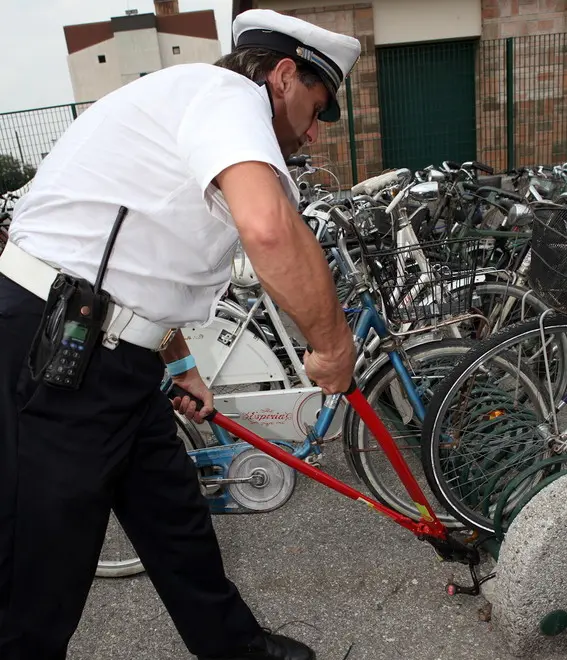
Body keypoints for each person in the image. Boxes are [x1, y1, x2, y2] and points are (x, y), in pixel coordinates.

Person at [0, 8, 360, 660]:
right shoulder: (228, 97)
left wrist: (181, 365)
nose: (312, 130)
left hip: (106, 351)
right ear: (282, 75)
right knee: (39, 571)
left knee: (175, 521)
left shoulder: (198, 109)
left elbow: (145, 261)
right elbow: (271, 229)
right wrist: (333, 346)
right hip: (55, 349)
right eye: (317, 105)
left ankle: (236, 648)